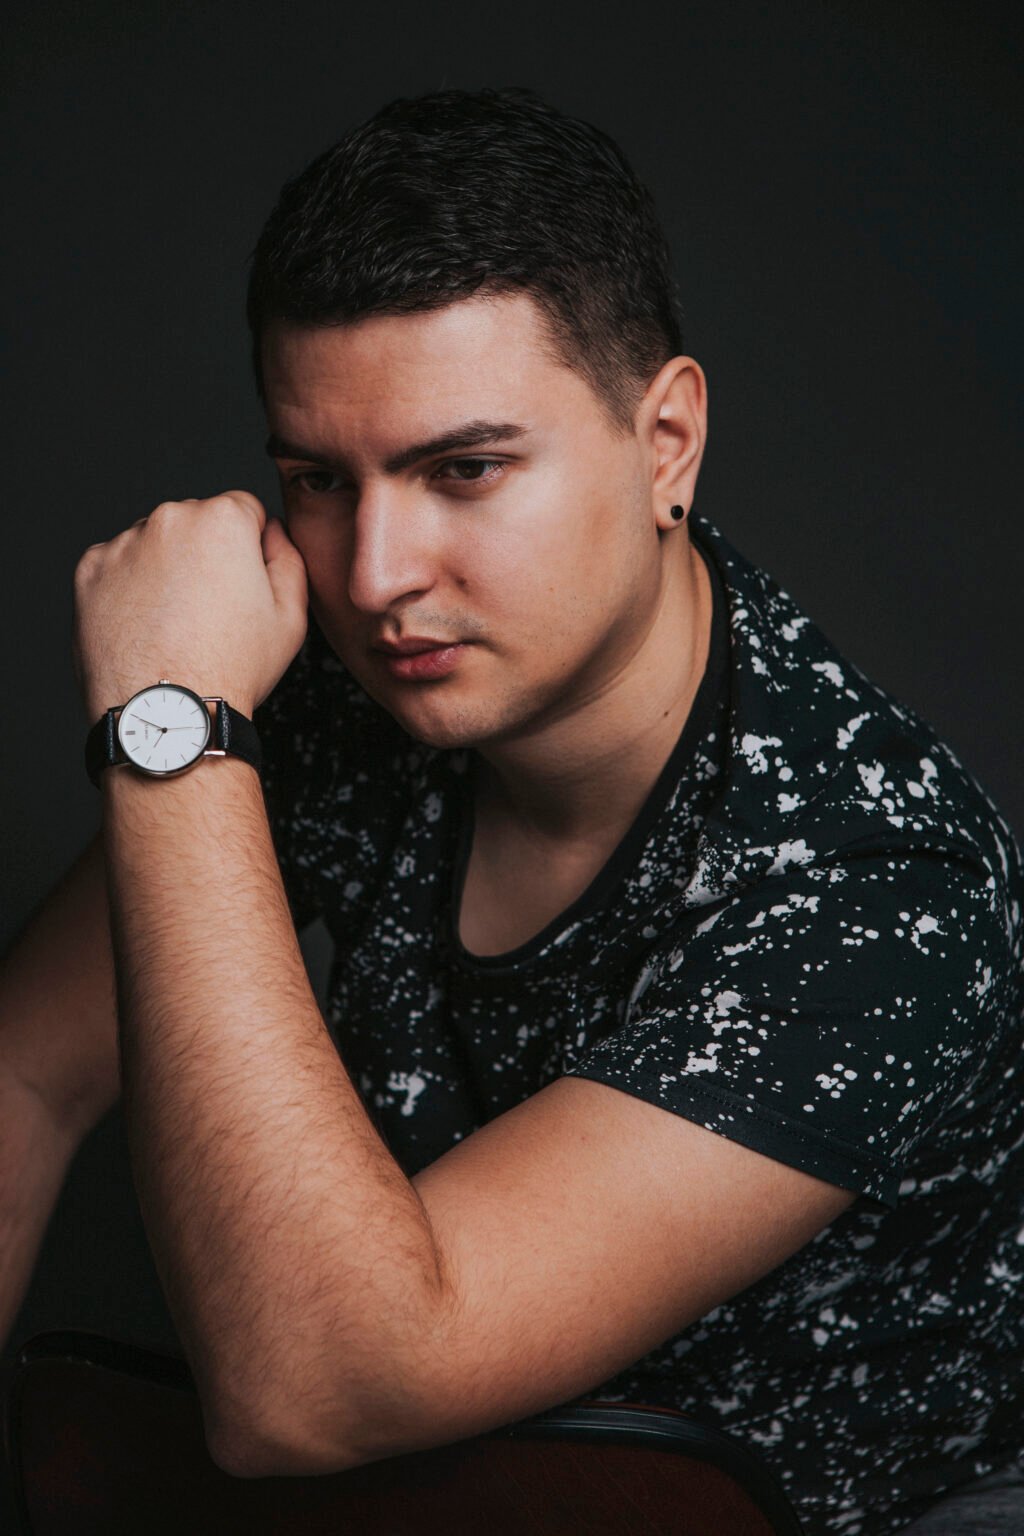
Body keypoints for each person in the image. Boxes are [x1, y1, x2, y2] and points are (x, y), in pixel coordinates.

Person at [1, 86, 1021, 1536]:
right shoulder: (358, 696)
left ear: (666, 442)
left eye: (465, 469)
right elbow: (26, 1079)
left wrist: (167, 730)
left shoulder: (878, 883)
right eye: (318, 480)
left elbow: (319, 1385)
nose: (375, 576)